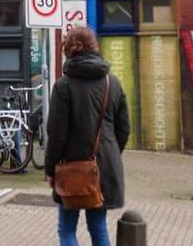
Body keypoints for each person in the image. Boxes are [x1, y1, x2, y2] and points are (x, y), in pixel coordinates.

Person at [45, 27, 130, 246]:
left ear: (67, 50)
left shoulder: (63, 86)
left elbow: (56, 136)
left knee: (66, 229)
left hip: (70, 169)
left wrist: (50, 170)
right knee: (98, 226)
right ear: (94, 47)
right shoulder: (113, 82)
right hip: (104, 168)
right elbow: (124, 129)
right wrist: (109, 154)